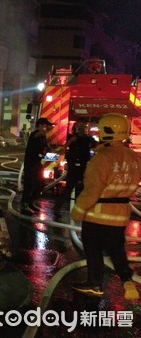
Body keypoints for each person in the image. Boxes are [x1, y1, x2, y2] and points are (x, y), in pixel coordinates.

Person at [70, 113, 141, 300]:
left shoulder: (101, 158)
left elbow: (92, 190)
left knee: (93, 251)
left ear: (105, 132)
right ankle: (127, 280)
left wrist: (78, 211)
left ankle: (94, 284)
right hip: (120, 215)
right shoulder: (134, 157)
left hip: (97, 215)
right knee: (117, 250)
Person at [53, 119, 97, 215]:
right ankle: (57, 208)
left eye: (84, 128)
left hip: (83, 166)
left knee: (82, 189)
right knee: (69, 188)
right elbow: (66, 146)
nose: (82, 130)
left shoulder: (89, 139)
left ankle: (79, 210)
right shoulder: (73, 138)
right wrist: (61, 151)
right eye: (80, 128)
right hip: (74, 166)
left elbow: (96, 147)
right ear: (76, 128)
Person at [20, 117, 54, 214]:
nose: (46, 127)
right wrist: (50, 130)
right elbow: (42, 133)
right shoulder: (34, 134)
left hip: (38, 163)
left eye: (46, 125)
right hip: (30, 164)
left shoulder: (43, 137)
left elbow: (46, 147)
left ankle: (31, 203)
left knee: (40, 184)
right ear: (38, 126)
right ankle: (24, 205)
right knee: (29, 185)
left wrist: (54, 152)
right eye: (44, 125)